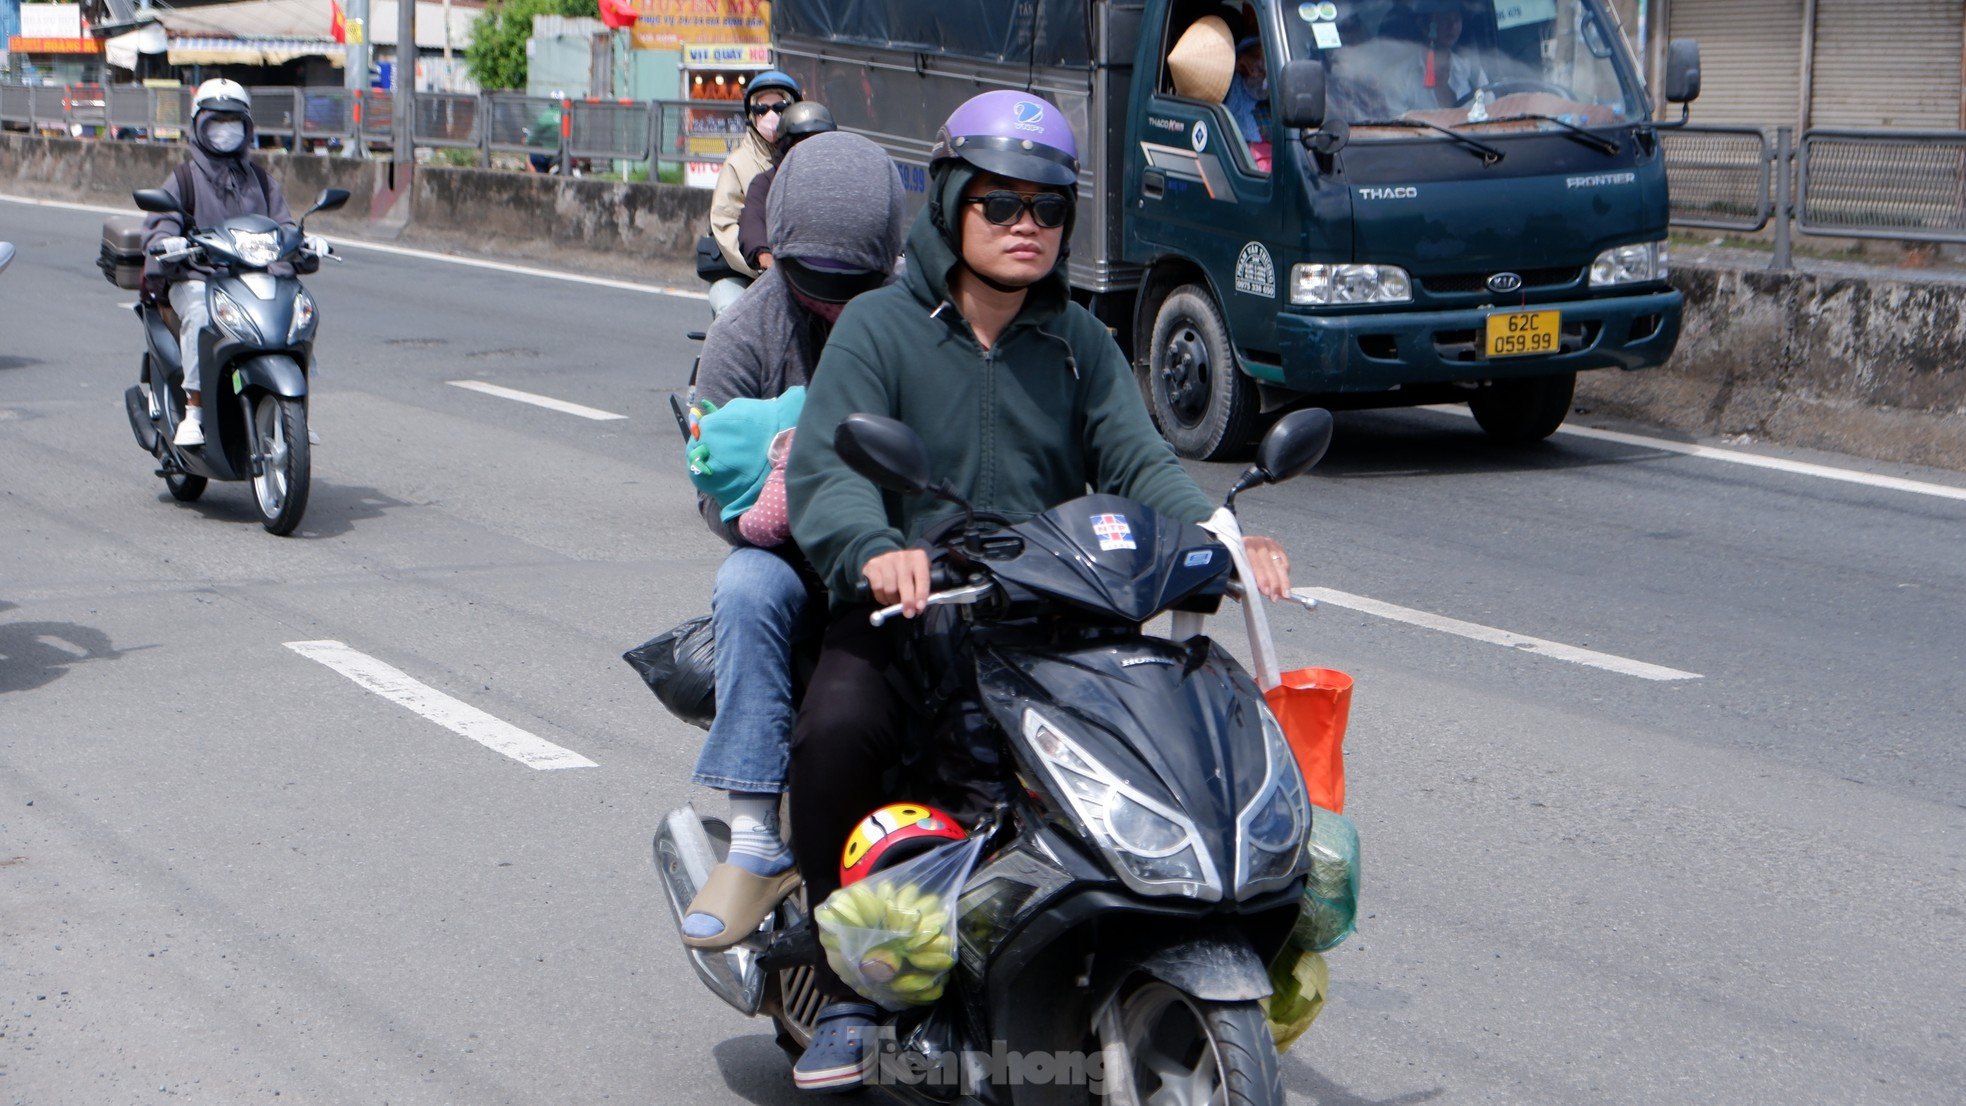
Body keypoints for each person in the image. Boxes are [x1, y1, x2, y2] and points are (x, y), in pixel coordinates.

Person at [778, 90, 1296, 1093]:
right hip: (912, 615)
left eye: (1047, 208)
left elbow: (1142, 462)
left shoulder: (1079, 343)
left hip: (1052, 619)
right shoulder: (882, 328)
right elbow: (830, 471)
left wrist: (1221, 540)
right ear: (950, 204)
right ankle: (846, 971)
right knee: (835, 727)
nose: (1026, 226)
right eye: (1000, 203)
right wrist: (875, 548)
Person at [675, 131, 906, 953]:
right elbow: (714, 494)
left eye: (858, 286)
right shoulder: (744, 337)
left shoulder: (921, 318)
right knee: (744, 585)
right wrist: (773, 499)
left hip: (902, 556)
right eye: (818, 286)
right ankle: (751, 833)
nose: (838, 306)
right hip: (792, 563)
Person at [142, 79, 315, 448]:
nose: (225, 130)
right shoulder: (184, 179)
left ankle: (296, 409)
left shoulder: (263, 183)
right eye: (216, 121)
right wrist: (164, 244)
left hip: (251, 280)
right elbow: (160, 225)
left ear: (246, 126)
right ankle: (195, 409)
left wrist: (301, 246)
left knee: (298, 311)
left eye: (233, 121)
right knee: (202, 316)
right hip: (199, 279)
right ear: (200, 125)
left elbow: (284, 226)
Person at [706, 70, 801, 316]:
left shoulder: (806, 159)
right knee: (733, 314)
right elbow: (725, 225)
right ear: (751, 115)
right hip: (746, 274)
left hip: (800, 274)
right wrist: (762, 264)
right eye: (762, 109)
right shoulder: (738, 164)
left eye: (779, 107)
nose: (771, 116)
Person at [736, 101, 837, 274]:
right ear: (786, 146)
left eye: (819, 141)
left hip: (840, 273)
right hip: (785, 274)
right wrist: (764, 255)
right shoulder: (766, 182)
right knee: (736, 301)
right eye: (803, 141)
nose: (811, 149)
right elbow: (753, 221)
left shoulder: (839, 182)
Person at [1390, 0, 1490, 112]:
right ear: (1423, 24)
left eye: (1457, 18)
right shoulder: (1399, 79)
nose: (1452, 26)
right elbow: (1398, 126)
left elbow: (1493, 114)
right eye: (1444, 18)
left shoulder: (1472, 72)